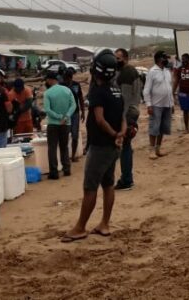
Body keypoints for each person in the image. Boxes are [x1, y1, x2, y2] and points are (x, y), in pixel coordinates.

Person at [61, 50, 125, 243]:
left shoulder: (98, 91)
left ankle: (80, 227)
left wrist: (114, 134)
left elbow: (99, 119)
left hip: (100, 147)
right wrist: (120, 134)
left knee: (90, 187)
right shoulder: (116, 91)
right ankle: (104, 224)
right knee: (108, 184)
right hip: (113, 147)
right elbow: (122, 118)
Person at [114, 48, 141, 191]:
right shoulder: (132, 71)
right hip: (133, 110)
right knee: (126, 147)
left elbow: (124, 98)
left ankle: (126, 179)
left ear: (125, 58)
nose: (116, 61)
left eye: (118, 58)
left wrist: (122, 120)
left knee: (124, 147)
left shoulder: (126, 73)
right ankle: (126, 178)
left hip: (127, 113)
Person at [43, 70, 77, 179]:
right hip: (66, 124)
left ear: (49, 80)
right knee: (64, 147)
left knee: (52, 148)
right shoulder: (67, 90)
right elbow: (74, 105)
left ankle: (54, 172)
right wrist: (66, 117)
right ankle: (67, 169)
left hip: (53, 124)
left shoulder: (47, 93)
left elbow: (47, 110)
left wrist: (58, 117)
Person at [143, 50, 174, 159]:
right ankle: (151, 150)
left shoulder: (167, 71)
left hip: (167, 104)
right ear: (159, 59)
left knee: (162, 128)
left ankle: (158, 149)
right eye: (164, 58)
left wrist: (172, 103)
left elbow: (169, 88)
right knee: (154, 127)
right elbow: (146, 90)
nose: (167, 60)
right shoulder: (152, 71)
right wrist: (149, 105)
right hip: (156, 104)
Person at [62, 69, 86, 161]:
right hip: (64, 113)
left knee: (75, 135)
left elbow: (80, 98)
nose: (68, 80)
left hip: (75, 113)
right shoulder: (61, 86)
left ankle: (73, 156)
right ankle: (65, 156)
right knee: (65, 135)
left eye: (69, 78)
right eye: (67, 79)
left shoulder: (76, 85)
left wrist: (83, 112)